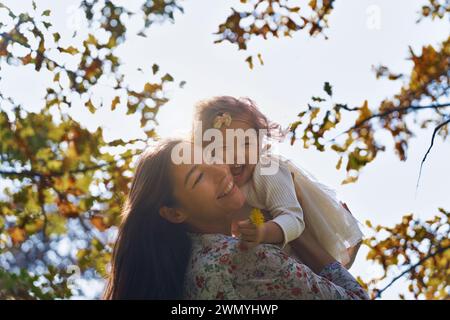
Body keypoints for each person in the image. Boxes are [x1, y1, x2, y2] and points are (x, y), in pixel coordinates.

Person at [103, 139, 368, 299]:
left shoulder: (192, 267)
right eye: (198, 177)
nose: (220, 170)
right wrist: (303, 231)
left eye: (211, 157)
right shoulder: (240, 257)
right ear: (174, 213)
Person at [193, 96, 363, 266]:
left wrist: (264, 232)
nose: (237, 153)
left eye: (246, 143)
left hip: (295, 252)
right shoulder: (219, 188)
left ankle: (342, 265)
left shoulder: (266, 171)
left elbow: (294, 218)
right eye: (224, 147)